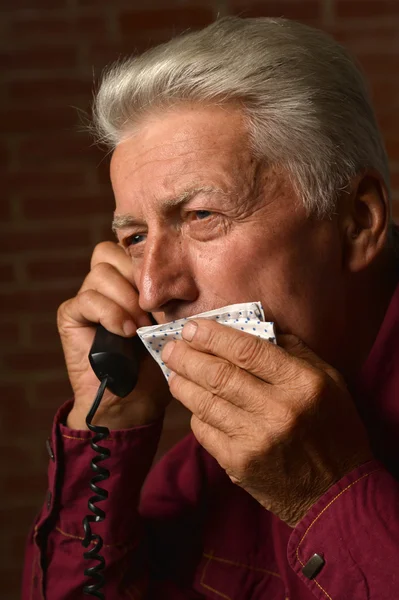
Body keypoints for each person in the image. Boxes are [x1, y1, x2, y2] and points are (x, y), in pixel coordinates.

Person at [23, 16, 399, 599]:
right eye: (135, 238)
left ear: (357, 221)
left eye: (201, 216)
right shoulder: (207, 459)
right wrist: (110, 428)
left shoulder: (264, 436)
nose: (151, 291)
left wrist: (328, 495)